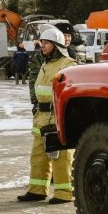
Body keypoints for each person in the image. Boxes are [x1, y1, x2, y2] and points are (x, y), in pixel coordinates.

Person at [17, 27, 77, 204]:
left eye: (46, 43)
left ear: (56, 45)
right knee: (38, 156)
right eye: (42, 42)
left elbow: (71, 93)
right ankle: (37, 190)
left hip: (57, 117)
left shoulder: (68, 64)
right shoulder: (45, 64)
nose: (42, 45)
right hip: (41, 117)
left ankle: (64, 193)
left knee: (61, 157)